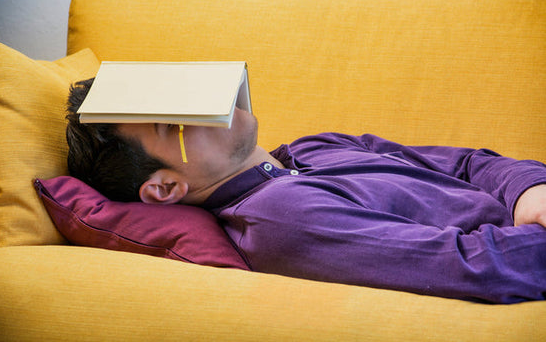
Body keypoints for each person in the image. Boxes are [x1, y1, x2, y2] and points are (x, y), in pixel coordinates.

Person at [66, 78, 546, 304]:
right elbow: (473, 266)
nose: (202, 107)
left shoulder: (316, 146)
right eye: (171, 123)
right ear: (166, 187)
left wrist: (530, 191)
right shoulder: (281, 219)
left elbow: (467, 162)